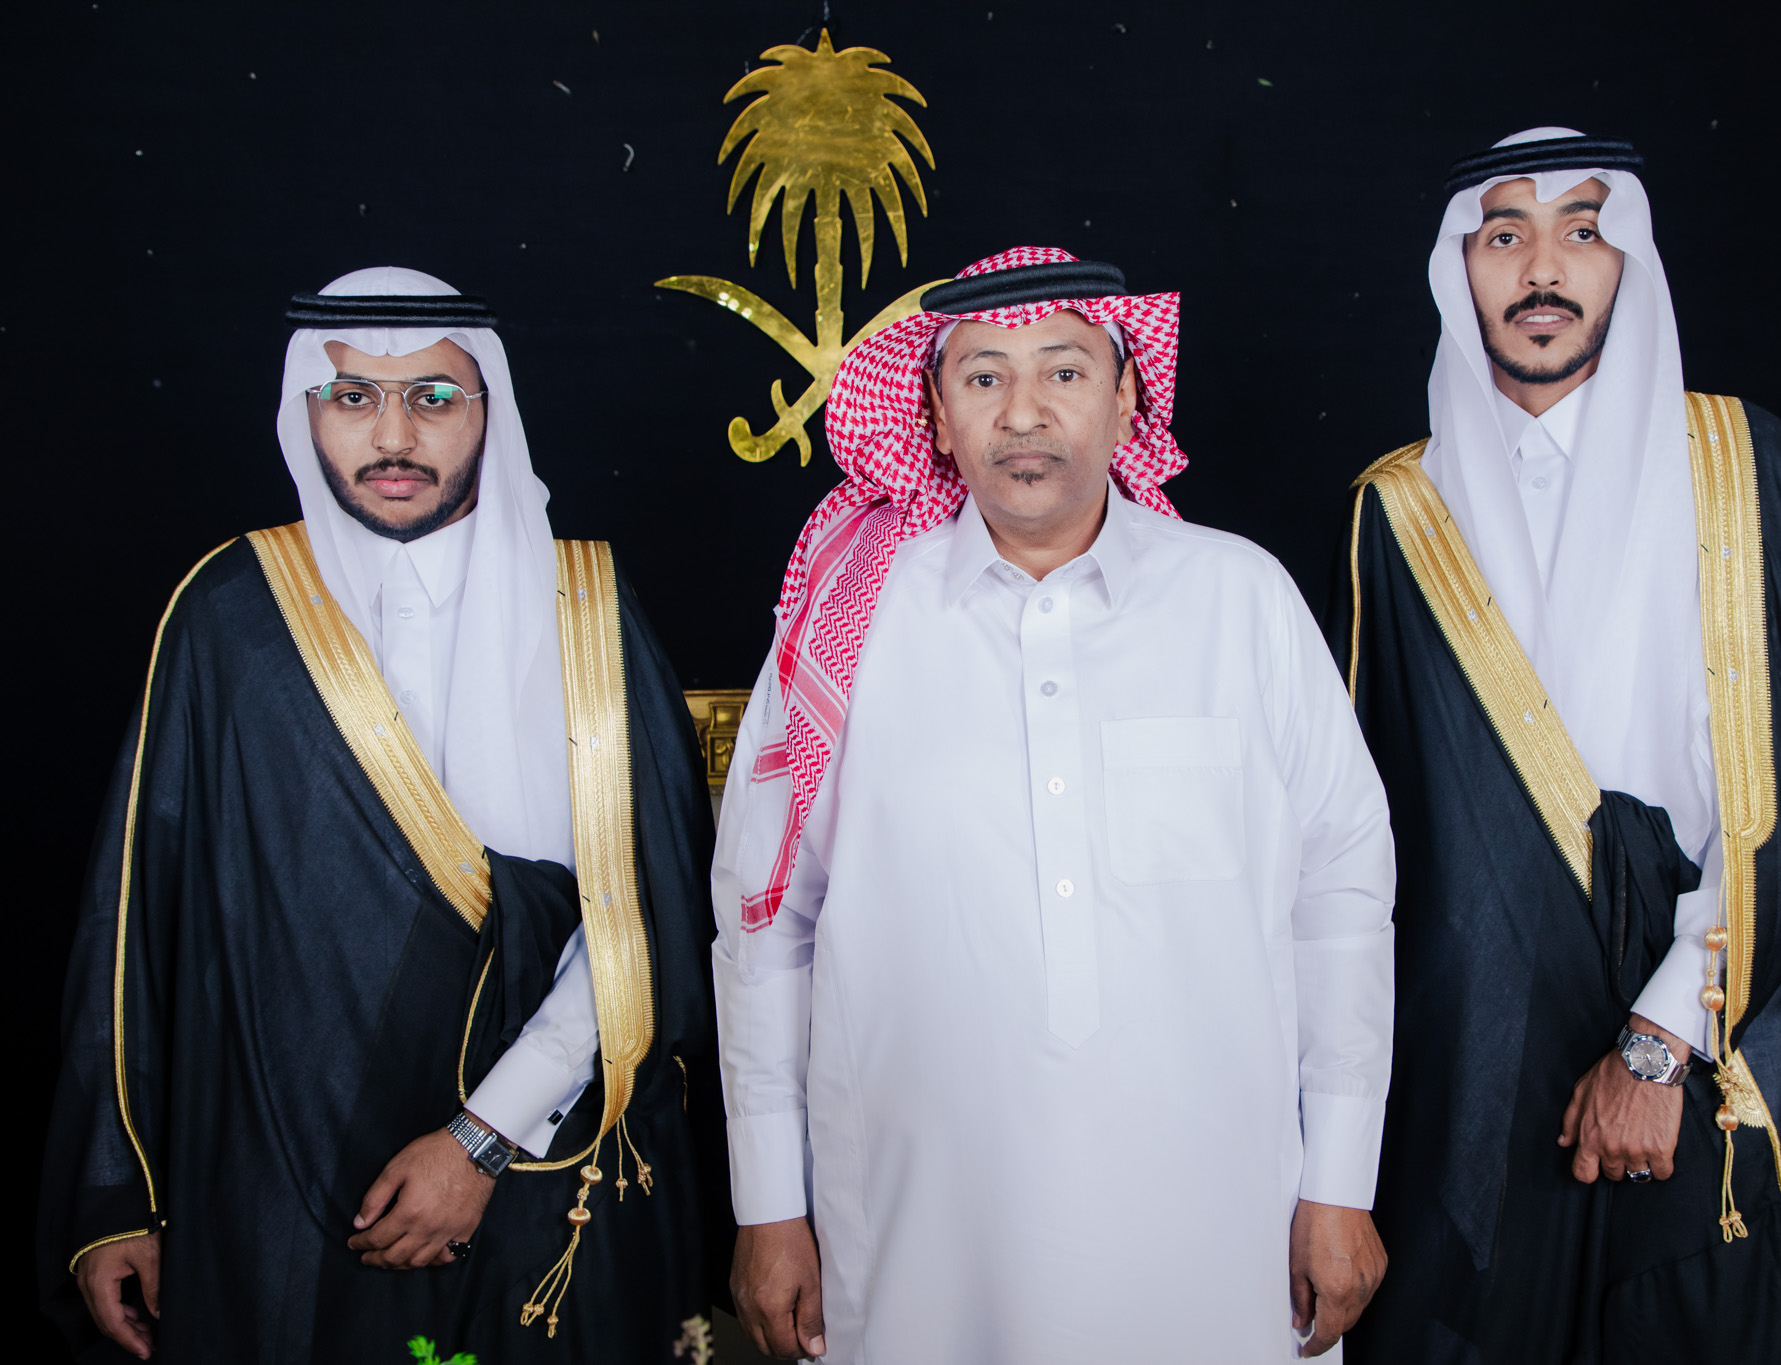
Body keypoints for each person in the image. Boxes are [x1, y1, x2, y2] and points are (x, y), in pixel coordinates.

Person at [711, 247, 1396, 1362]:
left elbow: (1342, 901)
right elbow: (765, 928)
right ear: (936, 416)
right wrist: (768, 1204)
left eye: (1064, 371)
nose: (1022, 412)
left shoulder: (1240, 600)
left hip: (1216, 1218)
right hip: (921, 1226)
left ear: (1127, 400)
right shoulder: (847, 626)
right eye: (983, 376)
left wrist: (1341, 1179)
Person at [39, 268, 732, 1363]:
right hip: (274, 1169)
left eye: (434, 398)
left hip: (539, 1166)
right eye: (353, 397)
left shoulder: (586, 606)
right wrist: (116, 1196)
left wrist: (481, 1138)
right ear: (305, 411)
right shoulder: (231, 612)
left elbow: (643, 915)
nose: (394, 436)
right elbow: (136, 925)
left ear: (489, 410)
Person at [1328, 131, 1781, 1362]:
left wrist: (1655, 1048)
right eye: (1503, 235)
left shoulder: (1742, 465)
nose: (1541, 267)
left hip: (1705, 1042)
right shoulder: (1397, 510)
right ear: (1458, 266)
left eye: (1582, 231)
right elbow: (1370, 835)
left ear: (1627, 262)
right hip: (1477, 1079)